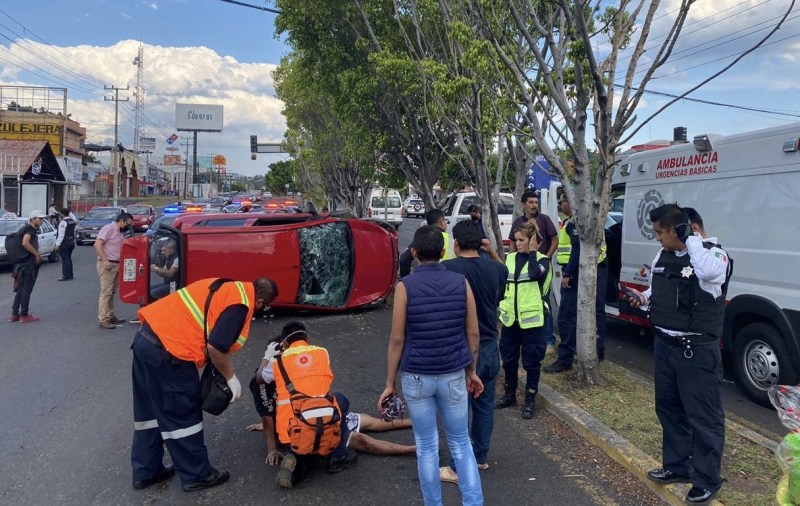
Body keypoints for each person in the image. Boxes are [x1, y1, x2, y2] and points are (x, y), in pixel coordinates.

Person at [623, 204, 729, 506]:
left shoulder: (713, 254)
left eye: (661, 232)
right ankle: (678, 465)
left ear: (681, 229)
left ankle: (708, 480)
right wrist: (642, 298)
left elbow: (710, 273)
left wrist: (692, 238)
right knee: (668, 409)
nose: (657, 238)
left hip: (696, 351)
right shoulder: (664, 254)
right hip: (666, 346)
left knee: (704, 418)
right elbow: (658, 289)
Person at [130, 277, 278, 493]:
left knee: (149, 413)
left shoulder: (228, 287)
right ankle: (196, 475)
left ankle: (146, 471)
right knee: (183, 415)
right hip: (170, 353)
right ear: (261, 302)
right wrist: (230, 378)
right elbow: (215, 348)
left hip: (146, 341)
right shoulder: (240, 305)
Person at [380, 225, 484, 506]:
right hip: (452, 374)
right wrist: (471, 371)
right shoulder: (461, 283)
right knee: (461, 445)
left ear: (413, 253)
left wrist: (390, 383)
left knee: (427, 448)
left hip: (416, 377)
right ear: (442, 252)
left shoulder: (405, 288)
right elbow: (473, 333)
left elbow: (397, 338)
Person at [246, 334, 415, 465]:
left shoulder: (291, 368)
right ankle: (413, 449)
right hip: (310, 428)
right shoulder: (263, 380)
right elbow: (267, 415)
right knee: (362, 440)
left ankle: (414, 423)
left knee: (368, 422)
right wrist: (272, 448)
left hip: (318, 417)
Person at [439, 220, 507, 484]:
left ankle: (457, 466)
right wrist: (491, 252)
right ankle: (480, 456)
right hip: (491, 345)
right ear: (481, 243)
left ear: (456, 243)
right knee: (485, 405)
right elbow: (503, 271)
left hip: (461, 348)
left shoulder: (448, 269)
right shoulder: (495, 269)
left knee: (459, 410)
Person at [259, 321, 359, 489]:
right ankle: (338, 456)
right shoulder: (322, 352)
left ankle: (297, 463)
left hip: (291, 432)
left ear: (283, 342)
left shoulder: (276, 361)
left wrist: (267, 356)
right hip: (322, 420)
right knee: (339, 399)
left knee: (301, 448)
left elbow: (259, 378)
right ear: (307, 337)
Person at [544, 194, 608, 373]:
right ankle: (597, 351)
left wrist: (568, 274)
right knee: (596, 312)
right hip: (596, 268)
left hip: (579, 271)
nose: (560, 205)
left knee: (566, 316)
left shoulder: (577, 223)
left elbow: (577, 249)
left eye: (561, 202)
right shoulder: (591, 220)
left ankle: (565, 358)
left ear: (571, 203)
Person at [495, 221, 552, 419]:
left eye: (522, 240)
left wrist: (534, 252)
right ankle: (509, 395)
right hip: (511, 321)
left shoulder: (543, 261)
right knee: (509, 360)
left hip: (533, 322)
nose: (517, 244)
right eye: (516, 240)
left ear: (533, 240)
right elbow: (502, 288)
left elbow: (536, 275)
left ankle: (530, 400)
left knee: (531, 363)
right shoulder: (510, 259)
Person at [508, 190, 559, 353]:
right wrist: (511, 260)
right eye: (530, 202)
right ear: (523, 205)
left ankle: (548, 340)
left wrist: (546, 258)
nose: (534, 205)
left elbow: (555, 240)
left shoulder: (544, 220)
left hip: (539, 269)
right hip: (521, 271)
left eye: (536, 202)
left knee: (544, 303)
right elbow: (512, 244)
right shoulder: (518, 222)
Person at [94, 212, 133, 330]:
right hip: (108, 265)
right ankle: (103, 319)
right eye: (127, 224)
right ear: (121, 221)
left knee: (112, 292)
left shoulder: (119, 232)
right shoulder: (108, 228)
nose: (128, 227)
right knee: (106, 292)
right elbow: (97, 245)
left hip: (116, 264)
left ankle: (110, 315)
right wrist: (105, 260)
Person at [9, 210, 47, 323]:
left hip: (22, 263)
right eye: (40, 218)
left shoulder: (24, 228)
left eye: (42, 218)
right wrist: (37, 254)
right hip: (29, 264)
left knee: (21, 289)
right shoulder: (29, 229)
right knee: (26, 289)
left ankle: (14, 314)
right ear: (33, 219)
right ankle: (24, 315)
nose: (42, 220)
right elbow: (25, 243)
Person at [398, 209, 454, 277]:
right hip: (449, 281)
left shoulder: (423, 238)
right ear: (441, 222)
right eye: (445, 220)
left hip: (424, 280)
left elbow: (404, 259)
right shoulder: (453, 240)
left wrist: (406, 279)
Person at [55, 208, 76, 281]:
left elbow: (61, 235)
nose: (60, 215)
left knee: (65, 259)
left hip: (64, 243)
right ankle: (70, 274)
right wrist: (69, 212)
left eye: (60, 213)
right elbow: (73, 217)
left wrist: (57, 244)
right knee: (69, 258)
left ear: (63, 214)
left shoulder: (63, 222)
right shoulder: (73, 221)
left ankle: (65, 275)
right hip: (71, 242)